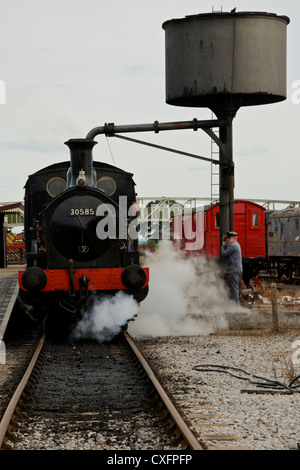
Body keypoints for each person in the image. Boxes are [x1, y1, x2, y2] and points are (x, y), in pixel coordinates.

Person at [220, 231, 243, 305]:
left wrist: (223, 245)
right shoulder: (236, 244)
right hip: (234, 270)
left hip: (233, 270)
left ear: (233, 238)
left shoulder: (233, 245)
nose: (227, 240)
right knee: (232, 289)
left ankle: (236, 306)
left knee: (234, 289)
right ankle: (232, 305)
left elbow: (223, 253)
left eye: (228, 238)